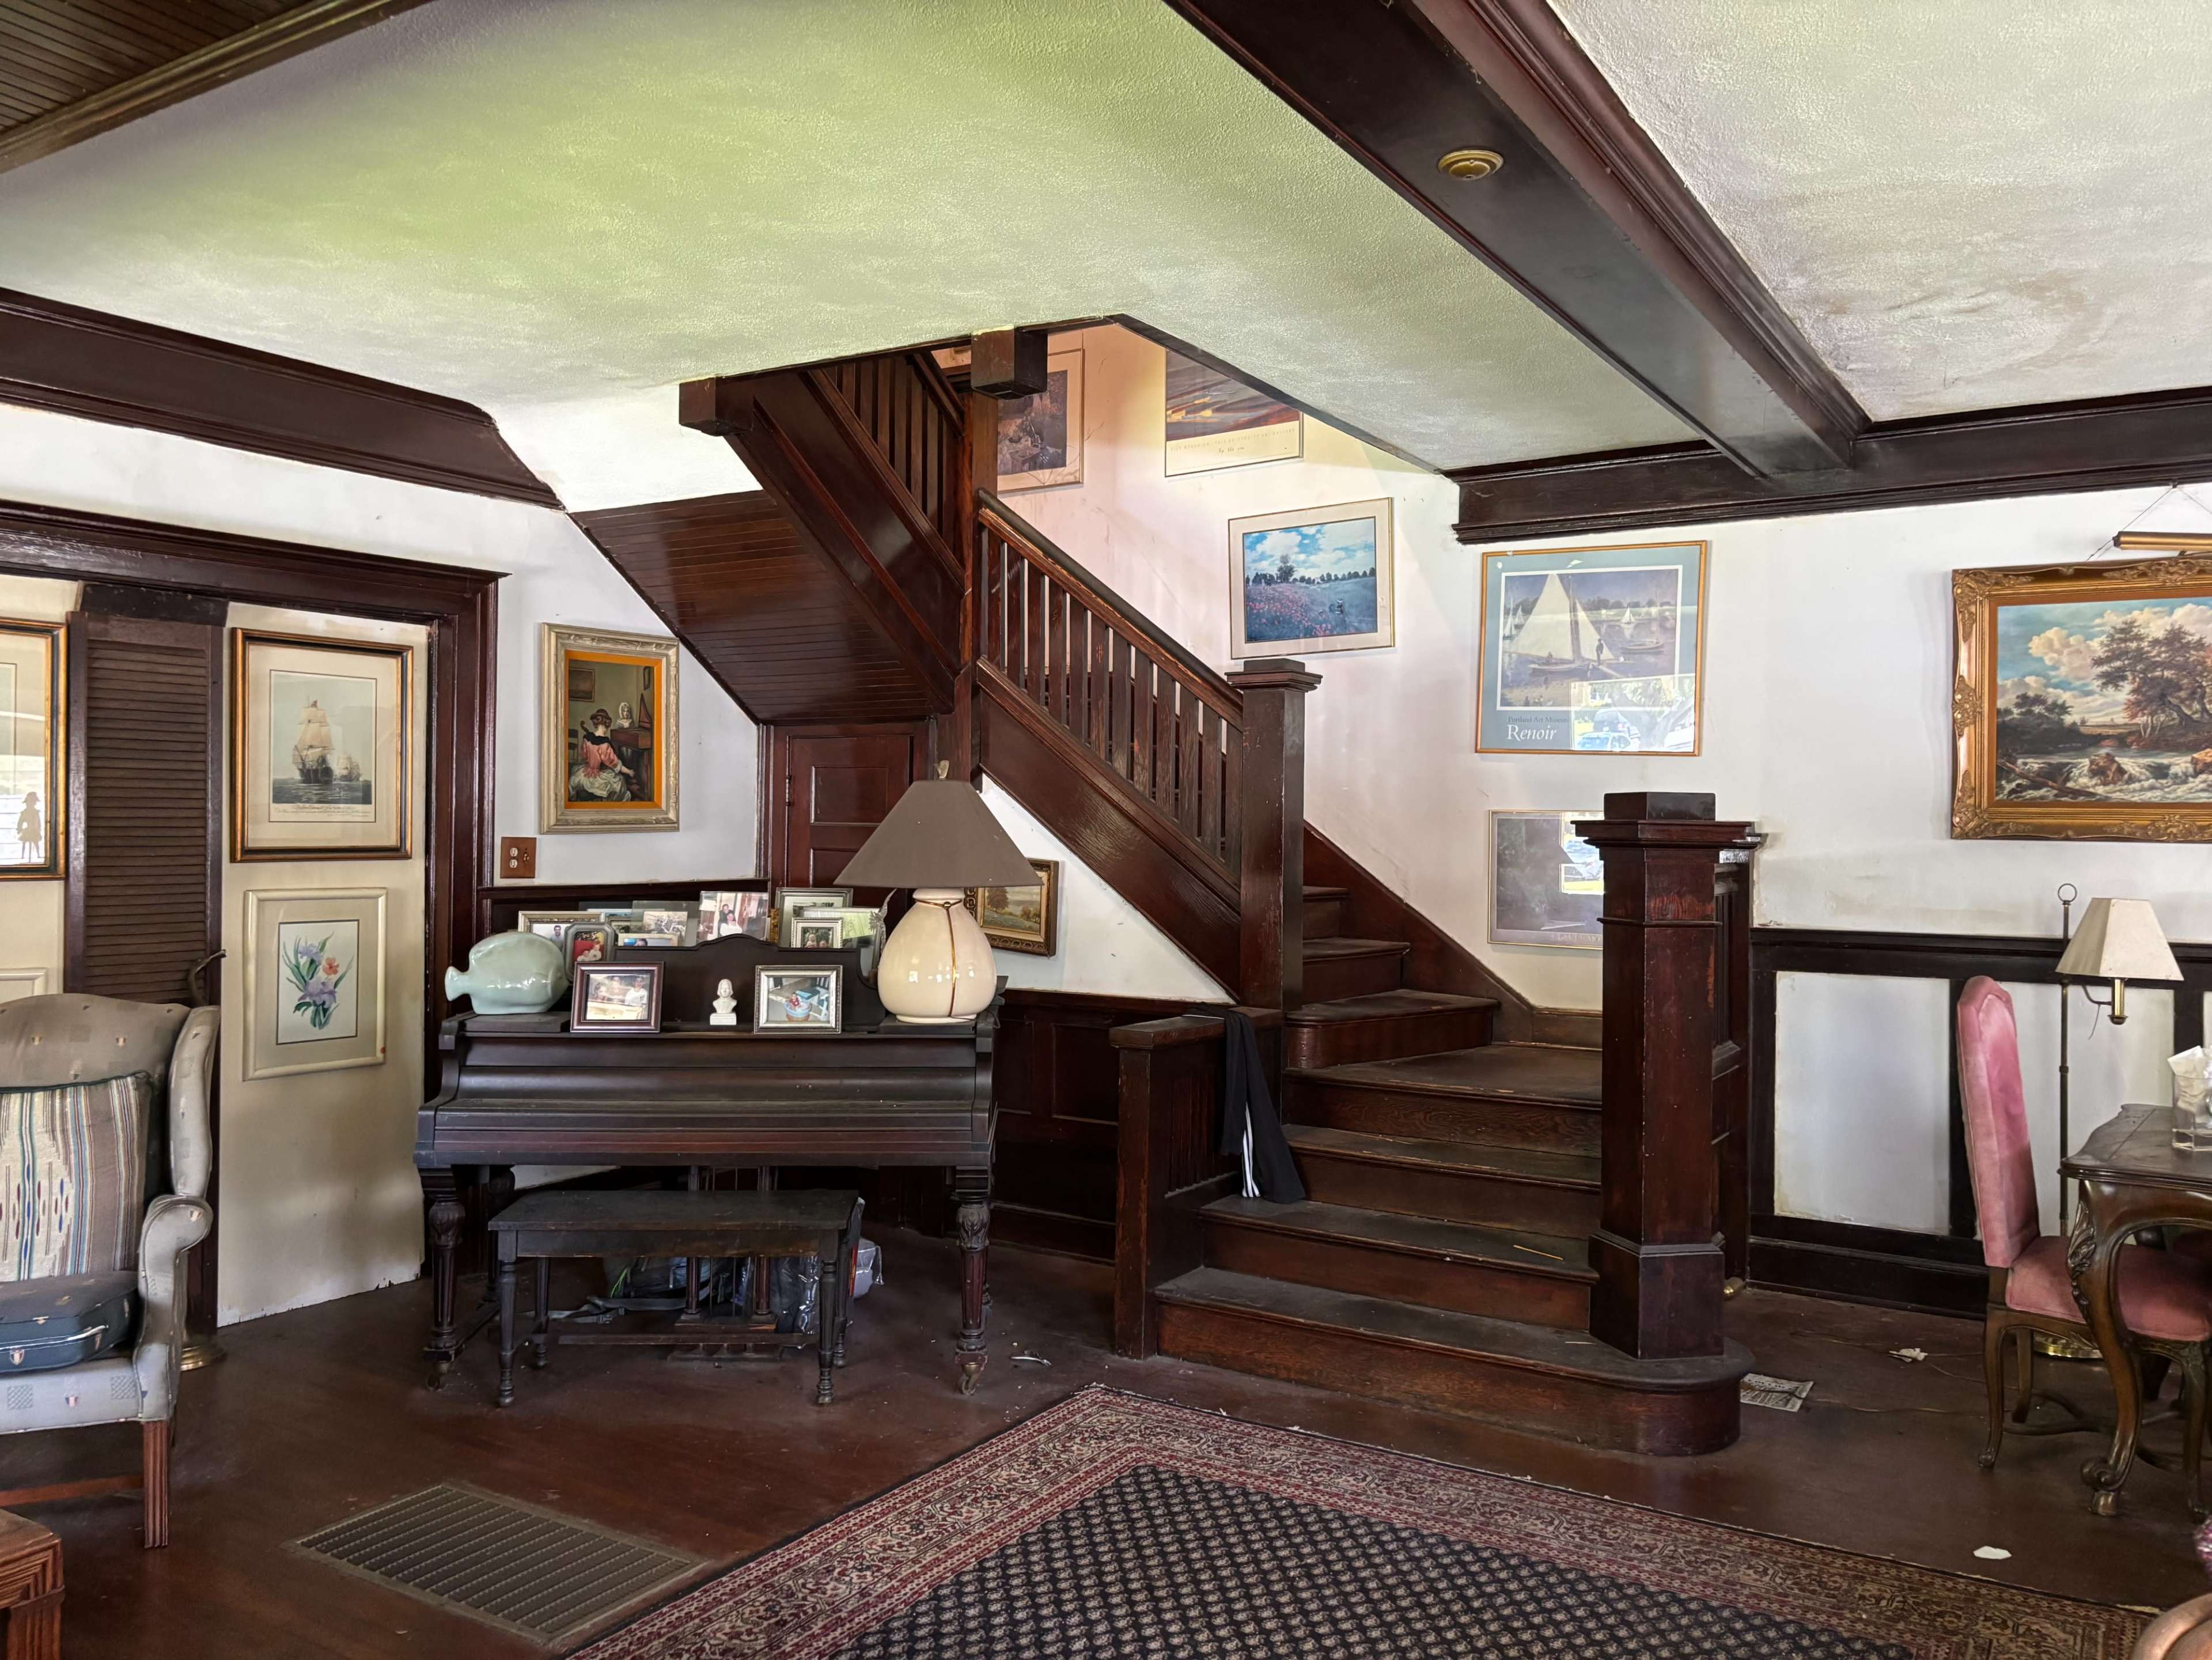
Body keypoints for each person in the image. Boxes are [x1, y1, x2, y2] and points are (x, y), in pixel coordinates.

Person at [568, 708, 636, 801]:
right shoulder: (605, 744)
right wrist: (629, 772)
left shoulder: (587, 739)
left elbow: (584, 757)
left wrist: (593, 759)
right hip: (599, 778)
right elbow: (615, 764)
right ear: (607, 724)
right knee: (620, 782)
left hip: (587, 773)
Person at [14, 789, 40, 861]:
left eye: (33, 802)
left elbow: (38, 823)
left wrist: (37, 829)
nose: (32, 804)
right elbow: (20, 822)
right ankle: (23, 856)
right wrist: (20, 829)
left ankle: (38, 855)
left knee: (36, 842)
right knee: (24, 843)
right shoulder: (24, 812)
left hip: (34, 830)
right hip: (28, 831)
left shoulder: (36, 812)